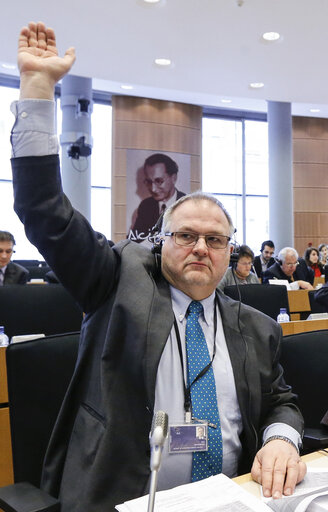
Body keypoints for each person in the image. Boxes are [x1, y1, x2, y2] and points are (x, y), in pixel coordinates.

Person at [11, 21, 306, 512]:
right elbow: (45, 211)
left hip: (232, 498)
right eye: (185, 235)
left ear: (229, 252)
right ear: (161, 240)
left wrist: (281, 440)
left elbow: (283, 403)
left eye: (215, 240)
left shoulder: (254, 328)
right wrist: (39, 88)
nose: (199, 248)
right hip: (127, 498)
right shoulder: (114, 281)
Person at [130, 153, 185, 241]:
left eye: (159, 181)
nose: (153, 189)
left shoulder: (187, 204)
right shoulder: (146, 206)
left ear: (173, 178)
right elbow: (135, 240)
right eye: (149, 181)